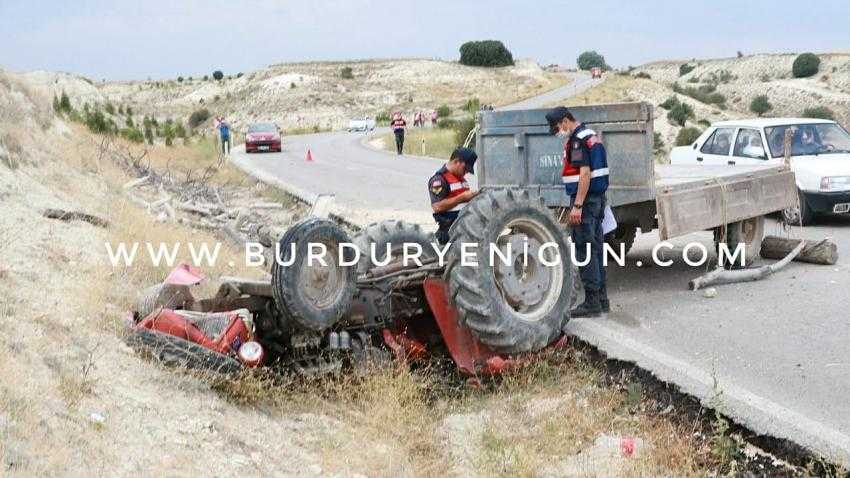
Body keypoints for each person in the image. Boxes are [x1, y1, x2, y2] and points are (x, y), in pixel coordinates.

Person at [546, 106, 610, 317]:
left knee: (584, 249)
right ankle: (602, 299)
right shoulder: (591, 135)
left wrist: (578, 205)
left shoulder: (577, 140)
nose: (557, 132)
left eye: (557, 127)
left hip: (586, 200)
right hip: (598, 199)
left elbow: (584, 175)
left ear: (565, 121)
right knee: (597, 249)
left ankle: (592, 302)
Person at [428, 147, 479, 244]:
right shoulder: (439, 179)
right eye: (465, 168)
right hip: (449, 232)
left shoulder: (460, 178)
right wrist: (462, 198)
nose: (466, 172)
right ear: (457, 162)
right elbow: (437, 207)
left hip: (463, 228)